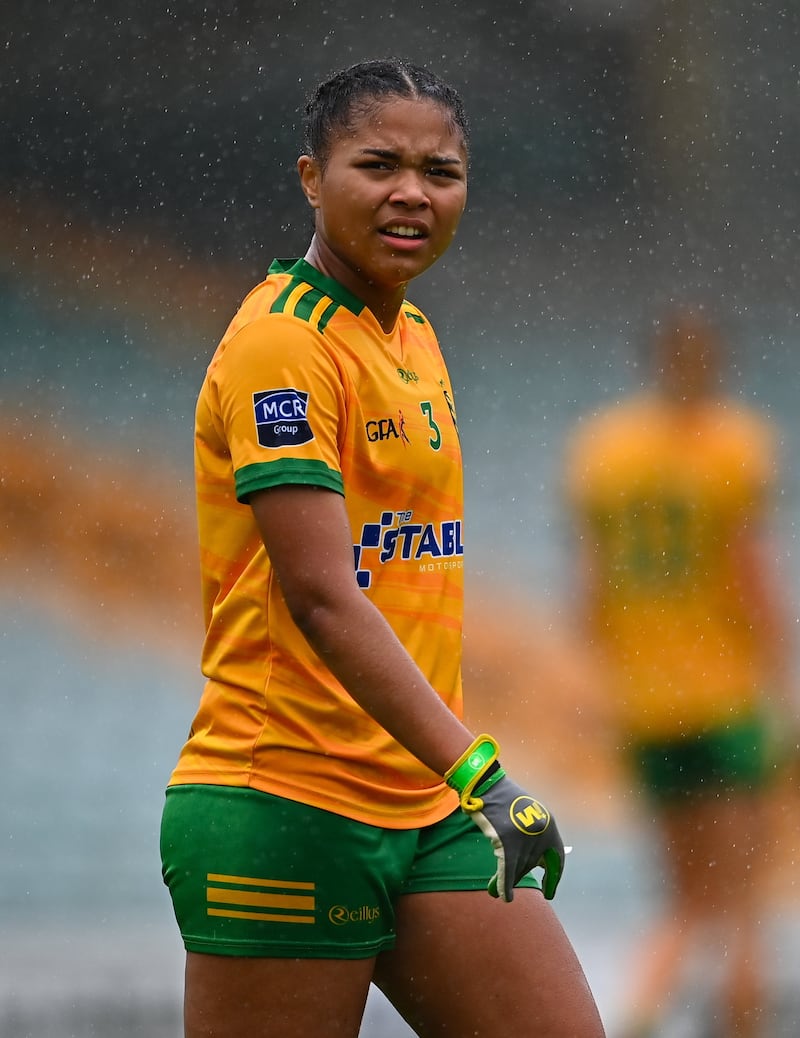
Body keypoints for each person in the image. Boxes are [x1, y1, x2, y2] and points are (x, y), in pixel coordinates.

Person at [160, 58, 605, 1038]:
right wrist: (481, 776)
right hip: (288, 800)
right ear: (312, 179)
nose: (412, 191)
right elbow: (321, 596)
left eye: (439, 171)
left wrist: (451, 781)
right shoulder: (283, 344)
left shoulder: (413, 339)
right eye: (378, 164)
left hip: (422, 804)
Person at [565, 309, 793, 1038]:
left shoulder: (605, 450)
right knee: (741, 901)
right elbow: (748, 579)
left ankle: (636, 1011)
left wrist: (603, 688)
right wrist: (782, 686)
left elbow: (591, 596)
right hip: (724, 700)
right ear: (715, 368)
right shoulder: (736, 448)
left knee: (685, 899)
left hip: (646, 705)